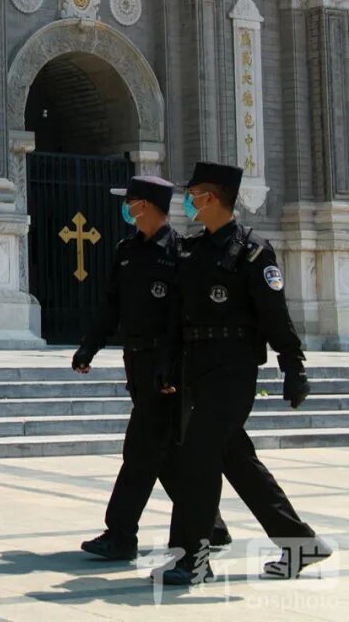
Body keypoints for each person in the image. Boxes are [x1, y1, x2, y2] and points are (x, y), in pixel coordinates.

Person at [162, 162, 331, 585]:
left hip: (233, 370)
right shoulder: (192, 250)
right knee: (236, 460)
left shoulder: (252, 251)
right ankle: (300, 541)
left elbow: (275, 315)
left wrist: (293, 368)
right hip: (198, 368)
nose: (189, 201)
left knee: (197, 457)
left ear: (213, 197)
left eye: (194, 194)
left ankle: (193, 559)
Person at [72, 176, 229, 562]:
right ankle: (211, 525)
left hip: (166, 368)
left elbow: (184, 316)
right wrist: (89, 347)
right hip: (137, 362)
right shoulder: (126, 251)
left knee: (140, 449)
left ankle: (121, 534)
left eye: (130, 202)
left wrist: (173, 367)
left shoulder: (180, 252)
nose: (126, 208)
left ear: (145, 206)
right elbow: (111, 306)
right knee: (165, 452)